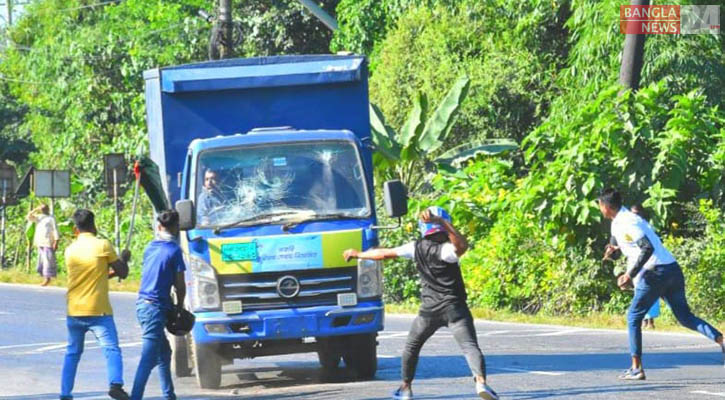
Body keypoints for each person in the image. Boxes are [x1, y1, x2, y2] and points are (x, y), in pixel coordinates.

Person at [343, 206, 498, 400]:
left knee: (412, 347)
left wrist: (358, 254)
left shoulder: (414, 247)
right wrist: (442, 222)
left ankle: (405, 388)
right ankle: (481, 383)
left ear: (422, 228)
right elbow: (462, 246)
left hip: (429, 311)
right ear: (445, 226)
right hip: (455, 308)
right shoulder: (447, 250)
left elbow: (383, 253)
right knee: (469, 346)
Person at [598, 188, 725, 381]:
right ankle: (721, 339)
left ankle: (636, 368)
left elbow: (647, 248)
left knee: (633, 316)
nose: (599, 208)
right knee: (684, 317)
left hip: (655, 273)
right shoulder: (617, 223)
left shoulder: (628, 221)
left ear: (606, 206)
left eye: (599, 204)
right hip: (671, 269)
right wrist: (612, 252)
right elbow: (619, 249)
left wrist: (630, 275)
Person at [60, 209, 131, 400]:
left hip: (74, 309)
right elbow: (123, 272)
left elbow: (95, 275)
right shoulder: (102, 246)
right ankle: (115, 385)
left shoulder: (70, 250)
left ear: (76, 229)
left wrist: (112, 271)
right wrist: (124, 259)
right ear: (94, 225)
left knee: (72, 353)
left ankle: (65, 393)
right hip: (98, 310)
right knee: (111, 349)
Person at [130, 210, 187, 400]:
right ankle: (135, 396)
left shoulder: (150, 247)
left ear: (159, 227)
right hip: (155, 308)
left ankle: (169, 395)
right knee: (147, 359)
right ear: (177, 227)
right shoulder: (174, 250)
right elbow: (180, 285)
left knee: (164, 353)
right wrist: (179, 307)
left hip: (143, 305)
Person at [604, 204, 659, 330]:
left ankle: (649, 320)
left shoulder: (646, 226)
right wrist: (610, 250)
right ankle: (643, 319)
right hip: (635, 262)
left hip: (651, 262)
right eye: (633, 213)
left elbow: (648, 247)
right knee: (640, 290)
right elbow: (615, 247)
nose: (635, 215)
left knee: (651, 291)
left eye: (638, 213)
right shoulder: (623, 224)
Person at [26, 204, 60, 286]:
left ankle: (47, 279)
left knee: (47, 261)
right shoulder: (39, 217)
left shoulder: (51, 218)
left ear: (47, 209)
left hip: (48, 242)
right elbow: (28, 217)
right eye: (42, 209)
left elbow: (55, 230)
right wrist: (35, 209)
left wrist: (56, 241)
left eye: (44, 208)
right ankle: (44, 277)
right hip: (40, 242)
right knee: (41, 261)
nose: (43, 210)